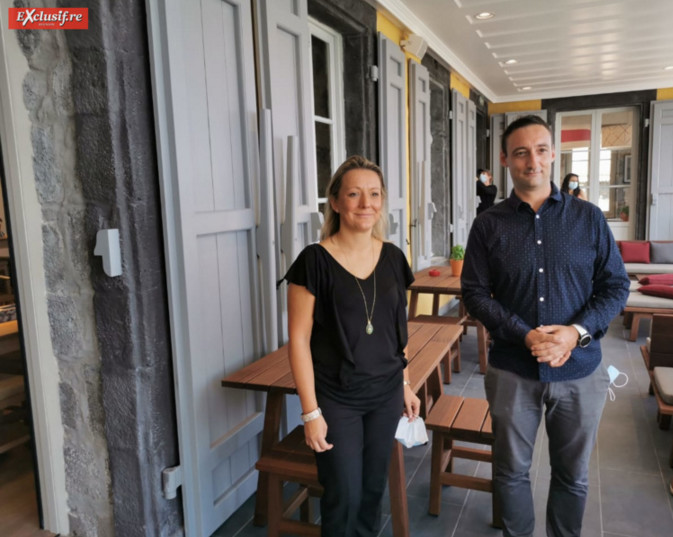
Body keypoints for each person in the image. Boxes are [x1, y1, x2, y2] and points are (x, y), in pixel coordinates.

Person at [461, 116, 630, 537]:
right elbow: (475, 293)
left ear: (553, 154)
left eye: (540, 150)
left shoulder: (589, 219)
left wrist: (575, 333)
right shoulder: (488, 224)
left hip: (580, 369)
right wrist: (525, 334)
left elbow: (615, 286)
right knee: (511, 472)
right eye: (520, 152)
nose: (531, 160)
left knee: (572, 475)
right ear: (505, 159)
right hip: (512, 369)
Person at [284, 155, 421, 536]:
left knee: (373, 490)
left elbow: (398, 331)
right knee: (342, 493)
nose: (366, 204)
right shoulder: (314, 260)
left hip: (385, 394)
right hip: (337, 398)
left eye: (374, 194)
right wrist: (311, 413)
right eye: (355, 194)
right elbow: (297, 339)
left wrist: (406, 383)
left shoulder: (393, 257)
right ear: (337, 202)